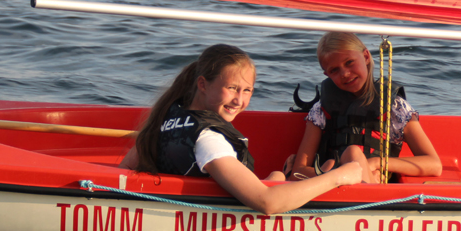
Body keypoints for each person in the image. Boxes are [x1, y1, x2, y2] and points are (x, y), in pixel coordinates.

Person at [119, 44, 363, 214]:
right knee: (278, 179)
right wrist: (339, 176)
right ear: (202, 84)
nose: (239, 100)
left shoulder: (167, 118)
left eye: (247, 91)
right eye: (232, 88)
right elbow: (267, 203)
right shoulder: (209, 140)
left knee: (277, 177)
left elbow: (124, 170)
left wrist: (274, 179)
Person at [287, 32, 441, 183]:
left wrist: (376, 163)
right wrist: (333, 171)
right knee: (350, 154)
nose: (345, 73)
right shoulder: (321, 110)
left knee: (353, 153)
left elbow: (434, 164)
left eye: (349, 62)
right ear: (327, 74)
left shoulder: (395, 107)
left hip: (374, 190)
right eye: (334, 70)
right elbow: (297, 173)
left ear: (366, 57)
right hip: (334, 186)